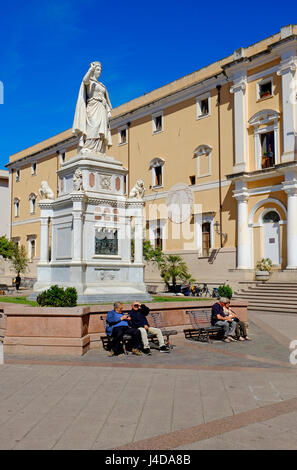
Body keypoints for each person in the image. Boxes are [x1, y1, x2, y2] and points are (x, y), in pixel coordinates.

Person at [73, 61, 112, 155]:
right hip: (92, 107)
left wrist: (108, 110)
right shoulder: (89, 81)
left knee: (100, 129)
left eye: (100, 70)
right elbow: (84, 80)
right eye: (98, 70)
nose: (99, 72)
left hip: (102, 108)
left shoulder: (102, 85)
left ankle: (99, 149)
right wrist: (90, 69)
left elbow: (106, 100)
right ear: (94, 70)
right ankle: (89, 147)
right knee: (93, 127)